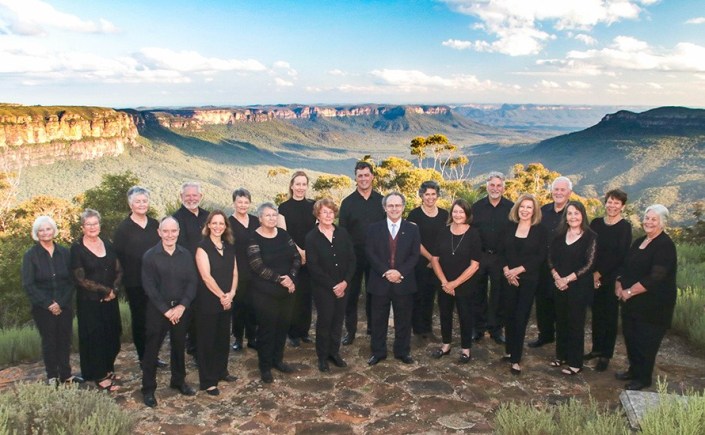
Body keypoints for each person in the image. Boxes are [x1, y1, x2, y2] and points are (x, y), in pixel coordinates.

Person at [615, 204, 677, 391]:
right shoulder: (640, 241)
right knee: (631, 339)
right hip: (632, 303)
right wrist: (619, 284)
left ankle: (643, 378)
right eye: (647, 218)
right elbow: (625, 265)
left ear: (662, 223)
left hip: (653, 306)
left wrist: (629, 292)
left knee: (646, 343)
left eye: (653, 219)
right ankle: (633, 370)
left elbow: (655, 277)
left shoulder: (665, 245)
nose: (649, 222)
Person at [141, 217, 198, 408]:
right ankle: (148, 388)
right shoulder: (150, 256)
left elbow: (192, 281)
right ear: (159, 232)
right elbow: (149, 287)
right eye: (165, 231)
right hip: (158, 310)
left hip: (181, 310)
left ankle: (178, 381)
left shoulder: (186, 254)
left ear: (178, 232)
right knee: (152, 350)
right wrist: (166, 310)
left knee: (178, 345)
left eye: (173, 231)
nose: (169, 235)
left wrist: (182, 306)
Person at [22, 216, 83, 385]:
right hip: (42, 308)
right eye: (41, 230)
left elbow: (72, 281)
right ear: (36, 234)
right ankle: (52, 377)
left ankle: (66, 375)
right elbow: (28, 284)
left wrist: (61, 303)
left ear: (54, 230)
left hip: (64, 305)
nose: (45, 233)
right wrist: (49, 304)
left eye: (48, 229)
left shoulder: (64, 252)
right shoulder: (30, 255)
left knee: (64, 340)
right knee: (49, 341)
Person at [247, 203, 301, 383]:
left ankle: (278, 360)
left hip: (287, 290)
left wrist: (291, 278)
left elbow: (296, 257)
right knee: (267, 330)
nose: (271, 218)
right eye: (267, 215)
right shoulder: (254, 238)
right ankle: (265, 367)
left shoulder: (284, 234)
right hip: (265, 293)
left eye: (274, 215)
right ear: (260, 218)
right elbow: (257, 265)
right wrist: (281, 279)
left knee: (282, 327)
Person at [365, 192, 420, 366]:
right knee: (378, 319)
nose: (394, 208)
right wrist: (386, 272)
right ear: (385, 208)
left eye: (397, 205)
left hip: (403, 281)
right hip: (380, 280)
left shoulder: (412, 229)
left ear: (403, 207)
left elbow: (415, 255)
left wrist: (399, 273)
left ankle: (402, 351)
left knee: (404, 319)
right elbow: (370, 253)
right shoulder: (374, 228)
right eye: (390, 205)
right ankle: (378, 352)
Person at [71, 209, 122, 392]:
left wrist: (114, 289)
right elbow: (80, 278)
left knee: (113, 334)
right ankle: (99, 375)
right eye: (88, 224)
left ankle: (108, 368)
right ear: (82, 227)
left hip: (111, 299)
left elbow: (118, 269)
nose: (92, 227)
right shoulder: (77, 248)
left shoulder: (107, 243)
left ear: (100, 225)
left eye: (95, 223)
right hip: (89, 301)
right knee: (95, 337)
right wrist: (105, 291)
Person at [113, 186, 163, 367]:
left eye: (144, 201)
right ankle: (144, 358)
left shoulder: (155, 225)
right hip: (135, 283)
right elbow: (117, 258)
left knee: (156, 320)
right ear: (130, 204)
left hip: (156, 282)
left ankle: (154, 355)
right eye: (137, 201)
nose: (142, 204)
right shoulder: (123, 229)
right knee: (140, 320)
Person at [498, 194, 547, 375]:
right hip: (508, 279)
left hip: (528, 280)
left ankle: (516, 359)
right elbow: (501, 251)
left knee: (520, 318)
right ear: (517, 208)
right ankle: (509, 350)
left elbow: (540, 256)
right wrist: (507, 271)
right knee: (509, 316)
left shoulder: (540, 230)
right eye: (522, 207)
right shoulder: (508, 227)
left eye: (529, 207)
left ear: (534, 211)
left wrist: (518, 270)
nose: (525, 210)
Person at [305, 198, 356, 372]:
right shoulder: (311, 237)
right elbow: (313, 266)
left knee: (338, 321)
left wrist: (345, 283)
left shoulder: (343, 233)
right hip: (323, 288)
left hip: (344, 286)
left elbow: (352, 260)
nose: (328, 215)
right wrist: (333, 286)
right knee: (325, 321)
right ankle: (322, 357)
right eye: (324, 212)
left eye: (331, 212)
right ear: (317, 215)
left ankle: (334, 353)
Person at [339, 161, 386, 345]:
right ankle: (350, 332)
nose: (364, 179)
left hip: (377, 257)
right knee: (351, 295)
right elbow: (342, 233)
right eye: (360, 176)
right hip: (354, 257)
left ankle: (373, 329)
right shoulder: (347, 203)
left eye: (367, 175)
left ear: (372, 176)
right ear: (355, 178)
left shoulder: (382, 201)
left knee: (374, 295)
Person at [585, 189, 632, 372]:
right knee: (596, 315)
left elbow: (620, 256)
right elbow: (589, 248)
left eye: (616, 203)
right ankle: (596, 349)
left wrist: (600, 274)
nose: (612, 206)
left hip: (612, 278)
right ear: (605, 203)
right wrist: (592, 273)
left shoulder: (625, 227)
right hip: (592, 276)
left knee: (610, 317)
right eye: (610, 202)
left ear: (622, 206)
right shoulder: (596, 223)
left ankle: (606, 355)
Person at [430, 199, 482, 364]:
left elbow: (475, 265)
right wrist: (445, 282)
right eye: (455, 211)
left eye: (461, 212)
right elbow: (434, 259)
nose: (458, 215)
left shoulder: (474, 234)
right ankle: (446, 345)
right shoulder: (443, 232)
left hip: (465, 283)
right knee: (445, 314)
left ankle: (466, 349)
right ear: (451, 213)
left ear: (467, 214)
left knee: (465, 316)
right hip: (444, 282)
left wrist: (455, 283)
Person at [548, 201, 596, 375]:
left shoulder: (591, 236)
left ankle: (575, 362)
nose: (573, 216)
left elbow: (589, 264)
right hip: (559, 285)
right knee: (561, 321)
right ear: (565, 217)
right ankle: (561, 356)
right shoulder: (558, 235)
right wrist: (557, 277)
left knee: (575, 324)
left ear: (582, 215)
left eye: (576, 213)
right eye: (569, 213)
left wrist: (567, 279)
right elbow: (550, 257)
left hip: (579, 287)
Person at [195, 211, 238, 396]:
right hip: (208, 301)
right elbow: (206, 277)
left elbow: (235, 272)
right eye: (214, 223)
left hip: (227, 300)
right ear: (208, 225)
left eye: (221, 223)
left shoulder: (229, 246)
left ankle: (221, 371)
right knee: (207, 341)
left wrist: (231, 294)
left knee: (223, 338)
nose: (218, 226)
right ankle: (208, 381)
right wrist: (222, 296)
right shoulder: (202, 248)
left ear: (225, 226)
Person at [529, 176, 573, 348]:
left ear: (569, 192)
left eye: (562, 190)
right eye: (556, 189)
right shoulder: (543, 211)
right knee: (542, 302)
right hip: (542, 265)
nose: (559, 193)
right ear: (551, 191)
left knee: (562, 305)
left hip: (564, 267)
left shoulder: (574, 212)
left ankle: (563, 342)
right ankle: (545, 335)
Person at [471, 172, 514, 343]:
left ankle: (496, 329)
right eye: (492, 185)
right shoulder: (476, 207)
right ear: (487, 186)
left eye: (498, 185)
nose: (495, 188)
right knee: (478, 293)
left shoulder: (511, 208)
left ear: (503, 188)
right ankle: (478, 328)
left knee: (499, 294)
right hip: (480, 256)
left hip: (500, 258)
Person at [278, 171, 316, 347]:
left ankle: (304, 331)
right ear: (292, 186)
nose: (301, 187)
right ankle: (292, 332)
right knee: (293, 294)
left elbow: (316, 230)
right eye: (298, 184)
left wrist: (308, 252)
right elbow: (284, 234)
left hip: (310, 256)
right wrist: (300, 252)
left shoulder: (313, 206)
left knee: (307, 295)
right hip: (291, 256)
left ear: (307, 186)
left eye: (304, 184)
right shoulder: (283, 208)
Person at [407, 180, 448, 342]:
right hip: (420, 262)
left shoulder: (445, 215)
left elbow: (447, 238)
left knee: (431, 296)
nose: (430, 197)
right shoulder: (414, 215)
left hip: (440, 262)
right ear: (421, 196)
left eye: (433, 194)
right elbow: (414, 240)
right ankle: (417, 331)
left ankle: (428, 329)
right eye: (427, 194)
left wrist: (437, 259)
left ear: (437, 195)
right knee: (418, 296)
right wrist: (431, 258)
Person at [172, 181, 208, 357]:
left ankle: (204, 345)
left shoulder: (208, 216)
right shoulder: (176, 219)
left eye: (195, 195)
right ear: (181, 197)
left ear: (201, 196)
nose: (191, 198)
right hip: (189, 274)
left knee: (205, 311)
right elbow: (181, 248)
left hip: (209, 273)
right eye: (188, 195)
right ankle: (193, 348)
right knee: (191, 312)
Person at [228, 188, 259, 351]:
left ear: (250, 203)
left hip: (256, 270)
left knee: (253, 305)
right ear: (234, 203)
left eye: (246, 202)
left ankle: (252, 337)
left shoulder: (255, 221)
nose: (243, 205)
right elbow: (228, 248)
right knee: (239, 305)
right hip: (237, 270)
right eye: (239, 202)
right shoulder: (228, 223)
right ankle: (238, 338)